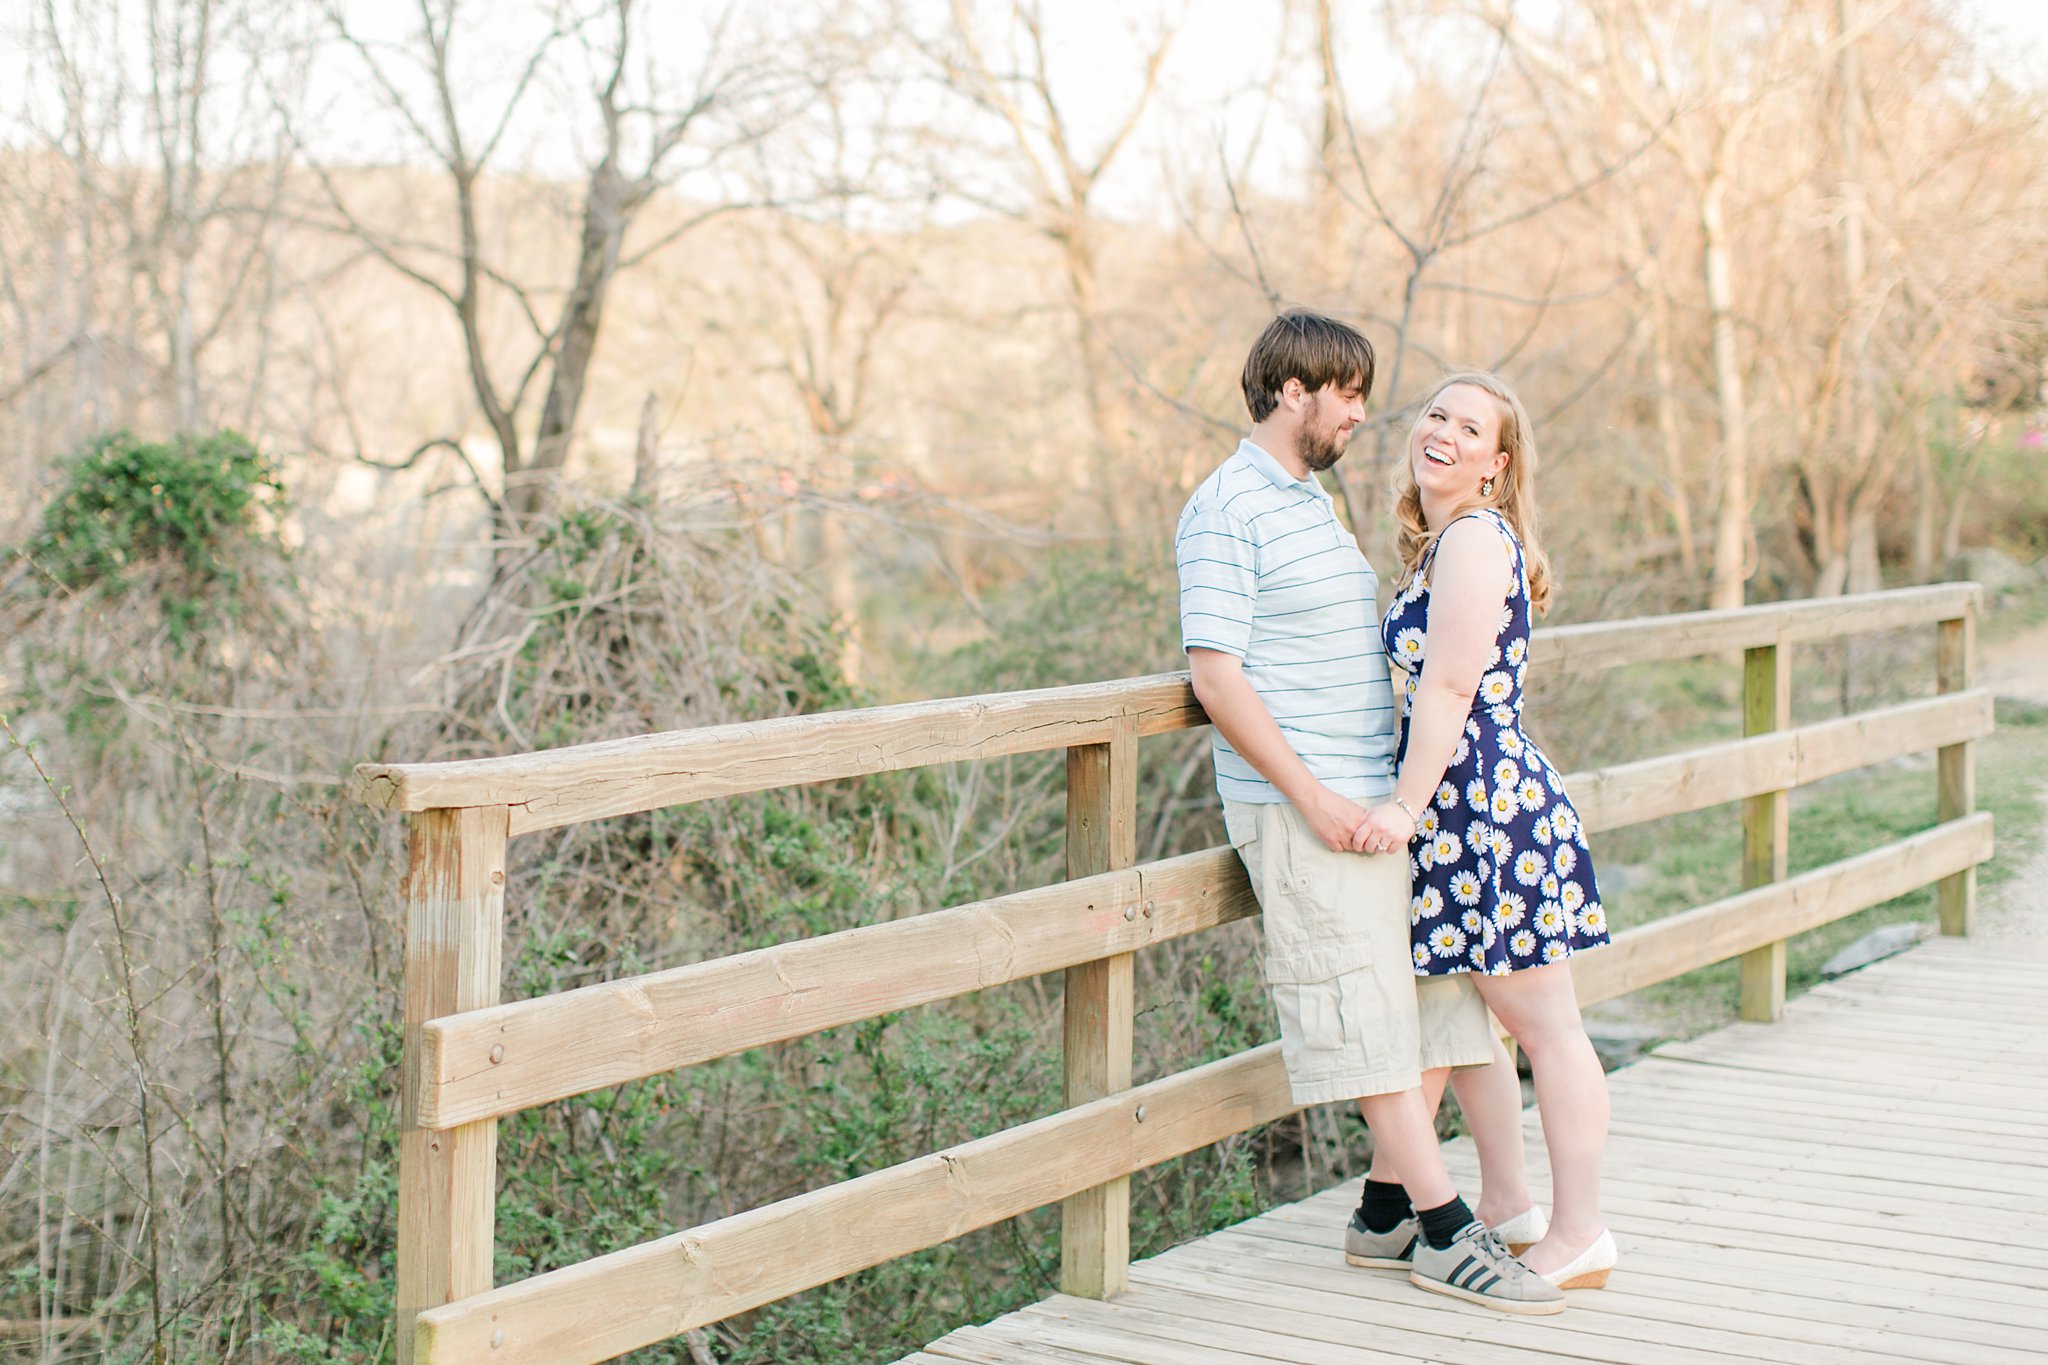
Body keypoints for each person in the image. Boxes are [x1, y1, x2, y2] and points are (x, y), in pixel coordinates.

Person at [1177, 314, 1565, 1314]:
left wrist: (1396, 799)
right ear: (1290, 391)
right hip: (1308, 810)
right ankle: (1442, 1230)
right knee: (1356, 1011)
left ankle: (1384, 1210)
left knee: (1428, 1005)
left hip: (1380, 809)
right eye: (1343, 394)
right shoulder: (1223, 509)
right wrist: (1312, 801)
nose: (1359, 413)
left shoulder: (1306, 503)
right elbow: (1215, 677)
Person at [1350, 371, 1617, 1291]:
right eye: (1436, 415)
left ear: (1497, 467)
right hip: (1457, 813)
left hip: (1486, 812)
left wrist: (1401, 809)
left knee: (1547, 1027)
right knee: (1470, 1028)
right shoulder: (1438, 545)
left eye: (1470, 428)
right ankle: (1507, 1206)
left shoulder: (1472, 540)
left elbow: (1451, 689)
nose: (1445, 433)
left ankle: (1581, 1231)